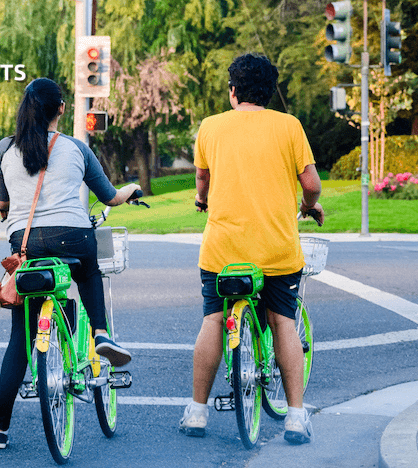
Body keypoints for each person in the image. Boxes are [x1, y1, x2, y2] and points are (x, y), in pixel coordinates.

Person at [0, 78, 140, 449]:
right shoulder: (76, 148)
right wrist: (132, 190)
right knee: (88, 270)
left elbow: (1, 205)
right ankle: (100, 333)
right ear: (61, 109)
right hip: (73, 236)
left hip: (24, 243)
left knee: (19, 340)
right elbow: (109, 196)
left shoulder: (5, 149)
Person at [179, 53, 324, 445]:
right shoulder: (289, 126)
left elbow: (203, 178)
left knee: (212, 320)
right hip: (277, 250)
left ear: (233, 91)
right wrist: (309, 207)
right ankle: (295, 416)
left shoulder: (211, 127)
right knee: (283, 323)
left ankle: (196, 412)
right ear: (269, 92)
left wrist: (201, 198)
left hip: (222, 252)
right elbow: (311, 184)